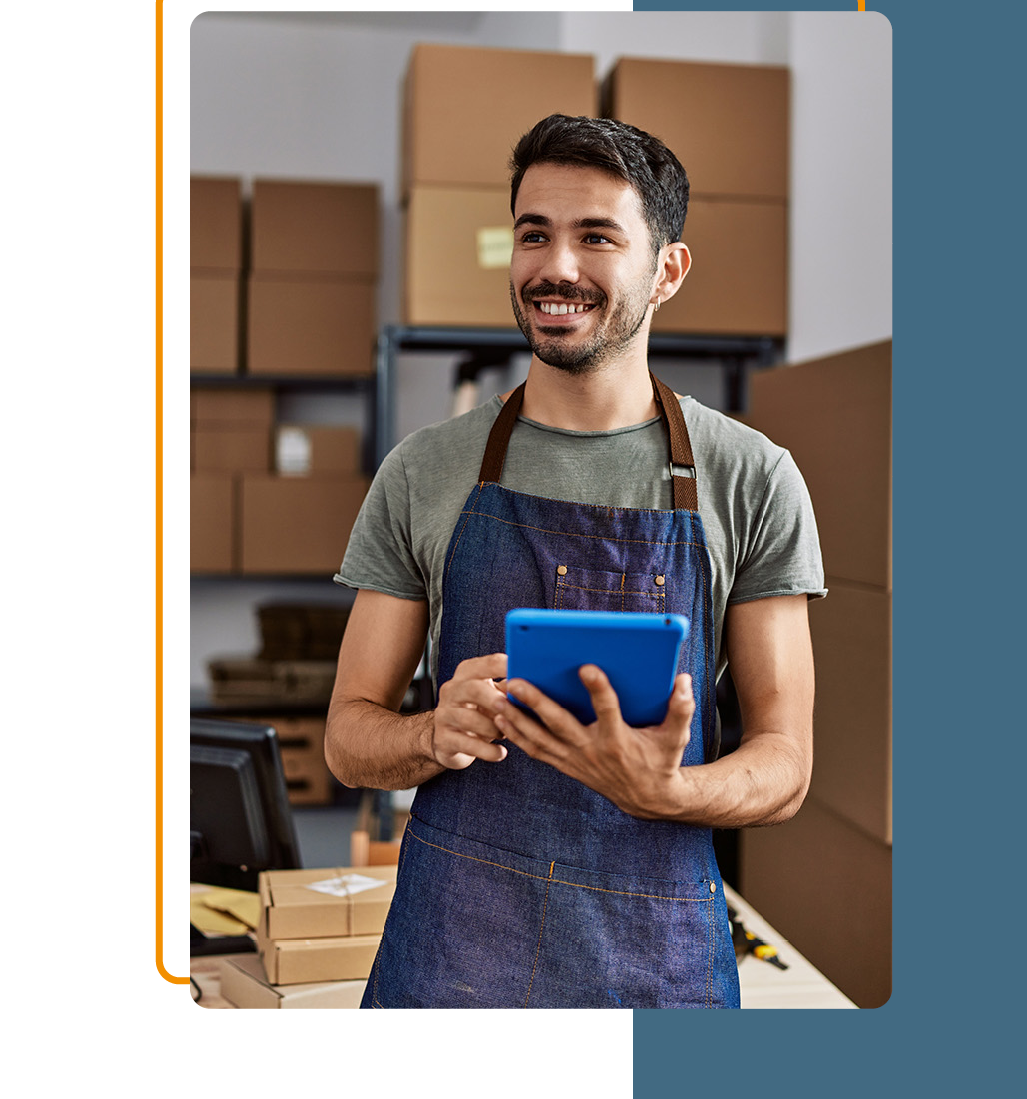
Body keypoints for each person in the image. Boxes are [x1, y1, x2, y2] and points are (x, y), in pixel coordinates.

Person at [325, 113, 824, 1009]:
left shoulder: (754, 477)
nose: (556, 268)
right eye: (533, 234)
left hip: (655, 962)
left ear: (667, 270)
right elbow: (348, 739)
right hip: (453, 960)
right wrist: (430, 733)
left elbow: (786, 762)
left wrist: (669, 790)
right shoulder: (423, 470)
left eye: (597, 237)